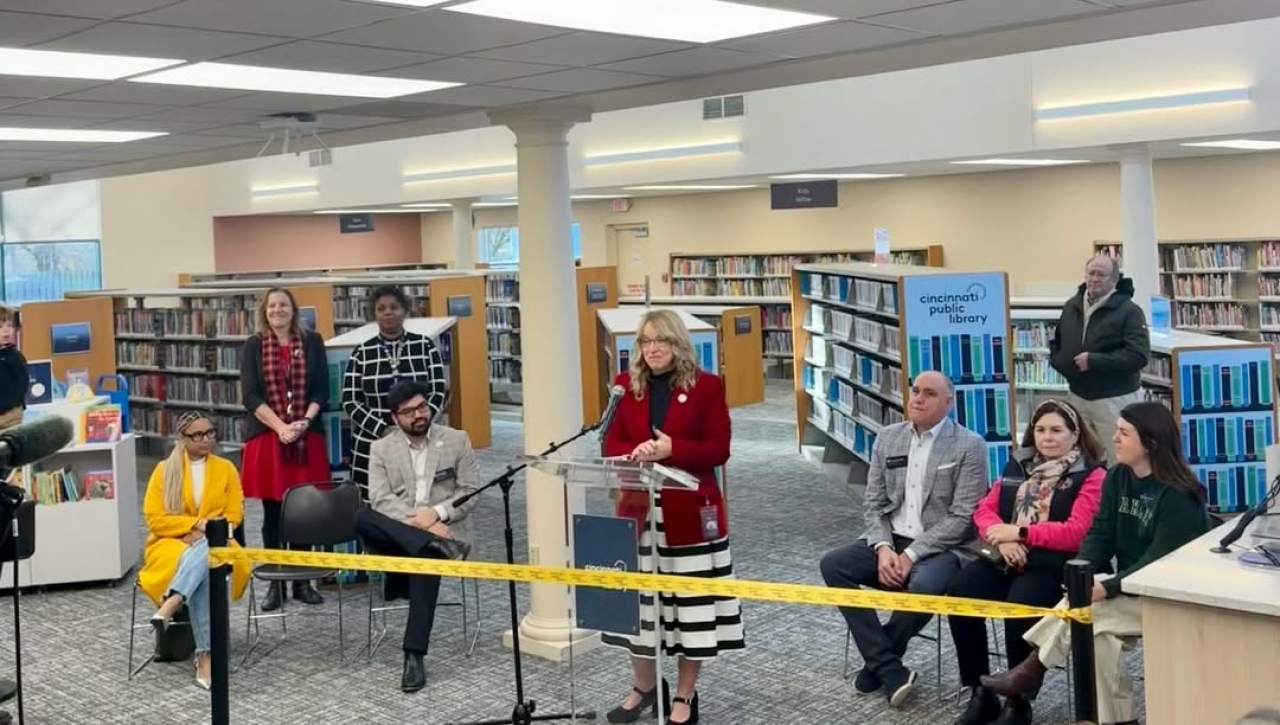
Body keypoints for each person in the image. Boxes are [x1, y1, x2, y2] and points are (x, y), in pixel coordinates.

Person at [981, 401, 1212, 725]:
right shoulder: (1118, 477)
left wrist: (1107, 587)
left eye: (1124, 433)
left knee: (1090, 614)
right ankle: (1118, 719)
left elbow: (1157, 562)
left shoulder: (1178, 496)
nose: (1114, 438)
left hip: (1169, 596)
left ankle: (1032, 669)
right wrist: (1083, 572)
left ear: (1150, 443)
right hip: (1131, 588)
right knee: (1096, 631)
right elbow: (1100, 533)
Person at [602, 309, 740, 725]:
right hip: (638, 511)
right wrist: (636, 452)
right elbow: (611, 440)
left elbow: (718, 449)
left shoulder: (708, 387)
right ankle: (644, 687)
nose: (653, 348)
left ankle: (684, 696)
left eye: (661, 340)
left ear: (679, 344)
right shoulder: (625, 387)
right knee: (638, 609)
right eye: (645, 341)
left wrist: (670, 449)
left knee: (690, 611)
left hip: (689, 516)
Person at [819, 370, 988, 709]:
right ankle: (890, 667)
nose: (917, 399)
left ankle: (879, 665)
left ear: (948, 403)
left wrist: (910, 554)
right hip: (890, 538)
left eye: (928, 394)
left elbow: (961, 518)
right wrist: (882, 548)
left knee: (924, 588)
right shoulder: (888, 438)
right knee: (834, 565)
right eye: (914, 391)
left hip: (942, 547)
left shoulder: (970, 445)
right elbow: (874, 504)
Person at [946, 398, 1107, 725]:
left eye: (1056, 430)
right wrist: (1002, 538)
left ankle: (1019, 701)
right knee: (960, 594)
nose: (1047, 437)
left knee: (1020, 606)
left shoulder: (1091, 475)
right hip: (1005, 555)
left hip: (1053, 562)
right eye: (1040, 429)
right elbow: (984, 510)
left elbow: (1076, 532)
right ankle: (981, 689)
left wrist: (1020, 533)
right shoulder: (1018, 465)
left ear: (1075, 434)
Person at [355, 380, 478, 693]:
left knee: (426, 558)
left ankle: (413, 655)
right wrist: (422, 525)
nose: (419, 415)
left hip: (445, 532)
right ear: (395, 418)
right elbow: (381, 498)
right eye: (408, 412)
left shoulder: (457, 439)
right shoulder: (381, 448)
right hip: (406, 532)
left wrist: (437, 514)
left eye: (422, 407)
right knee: (360, 515)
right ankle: (423, 544)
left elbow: (470, 492)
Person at [137, 411, 250, 689]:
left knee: (208, 553)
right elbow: (155, 518)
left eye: (210, 433)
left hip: (218, 539)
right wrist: (194, 525)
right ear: (182, 438)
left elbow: (234, 514)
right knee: (206, 568)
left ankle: (173, 601)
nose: (206, 440)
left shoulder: (226, 469)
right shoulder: (165, 470)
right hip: (170, 543)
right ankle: (204, 656)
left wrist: (206, 531)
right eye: (197, 435)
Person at [239, 287, 330, 611]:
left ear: (294, 310)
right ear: (265, 311)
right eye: (273, 305)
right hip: (267, 436)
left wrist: (303, 422)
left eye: (284, 305)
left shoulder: (312, 342)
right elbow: (250, 396)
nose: (278, 310)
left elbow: (322, 389)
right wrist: (281, 428)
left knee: (304, 511)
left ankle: (303, 581)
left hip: (307, 434)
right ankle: (276, 583)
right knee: (273, 513)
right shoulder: (252, 346)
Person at [342, 285, 447, 495]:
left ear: (405, 310)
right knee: (374, 501)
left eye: (394, 307)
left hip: (419, 435)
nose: (388, 312)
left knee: (420, 498)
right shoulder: (361, 352)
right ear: (374, 315)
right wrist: (383, 429)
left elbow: (437, 392)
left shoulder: (424, 346)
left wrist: (418, 423)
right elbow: (350, 401)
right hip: (374, 439)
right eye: (381, 309)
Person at [1050, 254, 1150, 462]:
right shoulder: (1072, 306)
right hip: (1077, 396)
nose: (1094, 279)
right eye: (1091, 273)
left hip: (1113, 399)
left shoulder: (1130, 311)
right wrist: (1061, 364)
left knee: (1119, 459)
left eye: (1101, 274)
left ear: (1114, 279)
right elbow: (1057, 341)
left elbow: (1138, 356)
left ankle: (1118, 495)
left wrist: (1094, 361)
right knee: (1080, 458)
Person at [0, 305, 28, 430]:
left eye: (9, 326)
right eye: (0, 327)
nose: (6, 331)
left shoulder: (14, 356)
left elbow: (22, 384)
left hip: (10, 415)